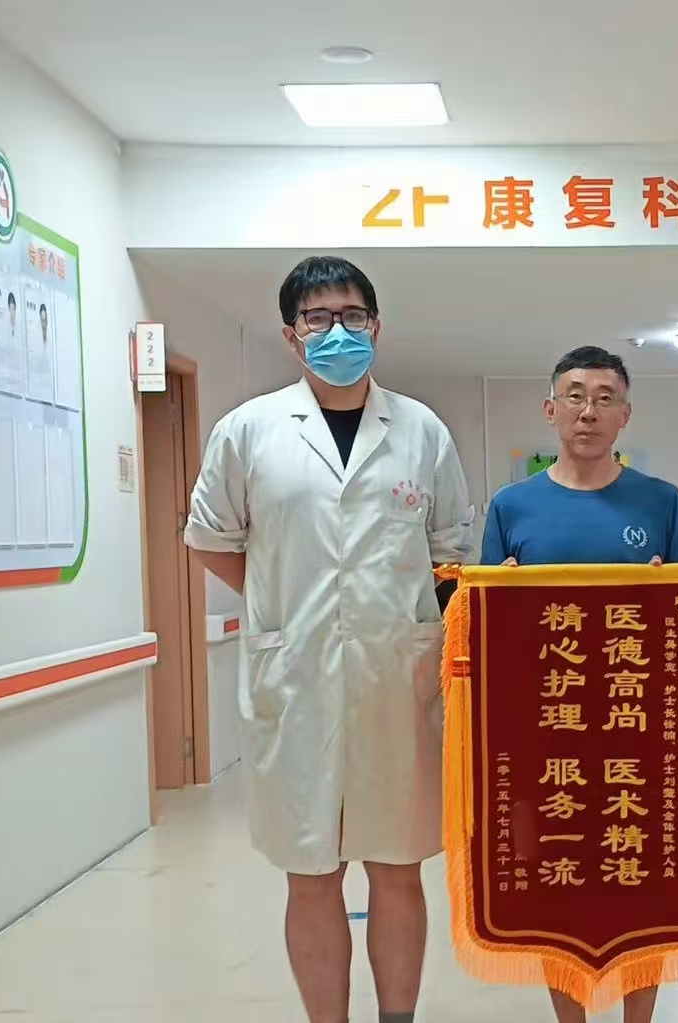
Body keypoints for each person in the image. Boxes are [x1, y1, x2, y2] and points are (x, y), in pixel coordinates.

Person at [184, 256, 474, 1023]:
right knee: (310, 873)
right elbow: (210, 538)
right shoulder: (248, 430)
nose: (336, 331)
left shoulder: (421, 430)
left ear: (377, 327)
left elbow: (450, 552)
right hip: (296, 678)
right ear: (291, 333)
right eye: (318, 318)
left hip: (396, 677)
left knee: (397, 865)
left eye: (352, 316)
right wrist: (282, 603)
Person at [481, 345, 678, 1023]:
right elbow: (483, 626)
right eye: (575, 396)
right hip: (545, 730)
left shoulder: (661, 501)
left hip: (639, 728)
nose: (588, 411)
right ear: (550, 409)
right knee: (557, 881)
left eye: (605, 398)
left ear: (624, 415)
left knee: (645, 881)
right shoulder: (511, 506)